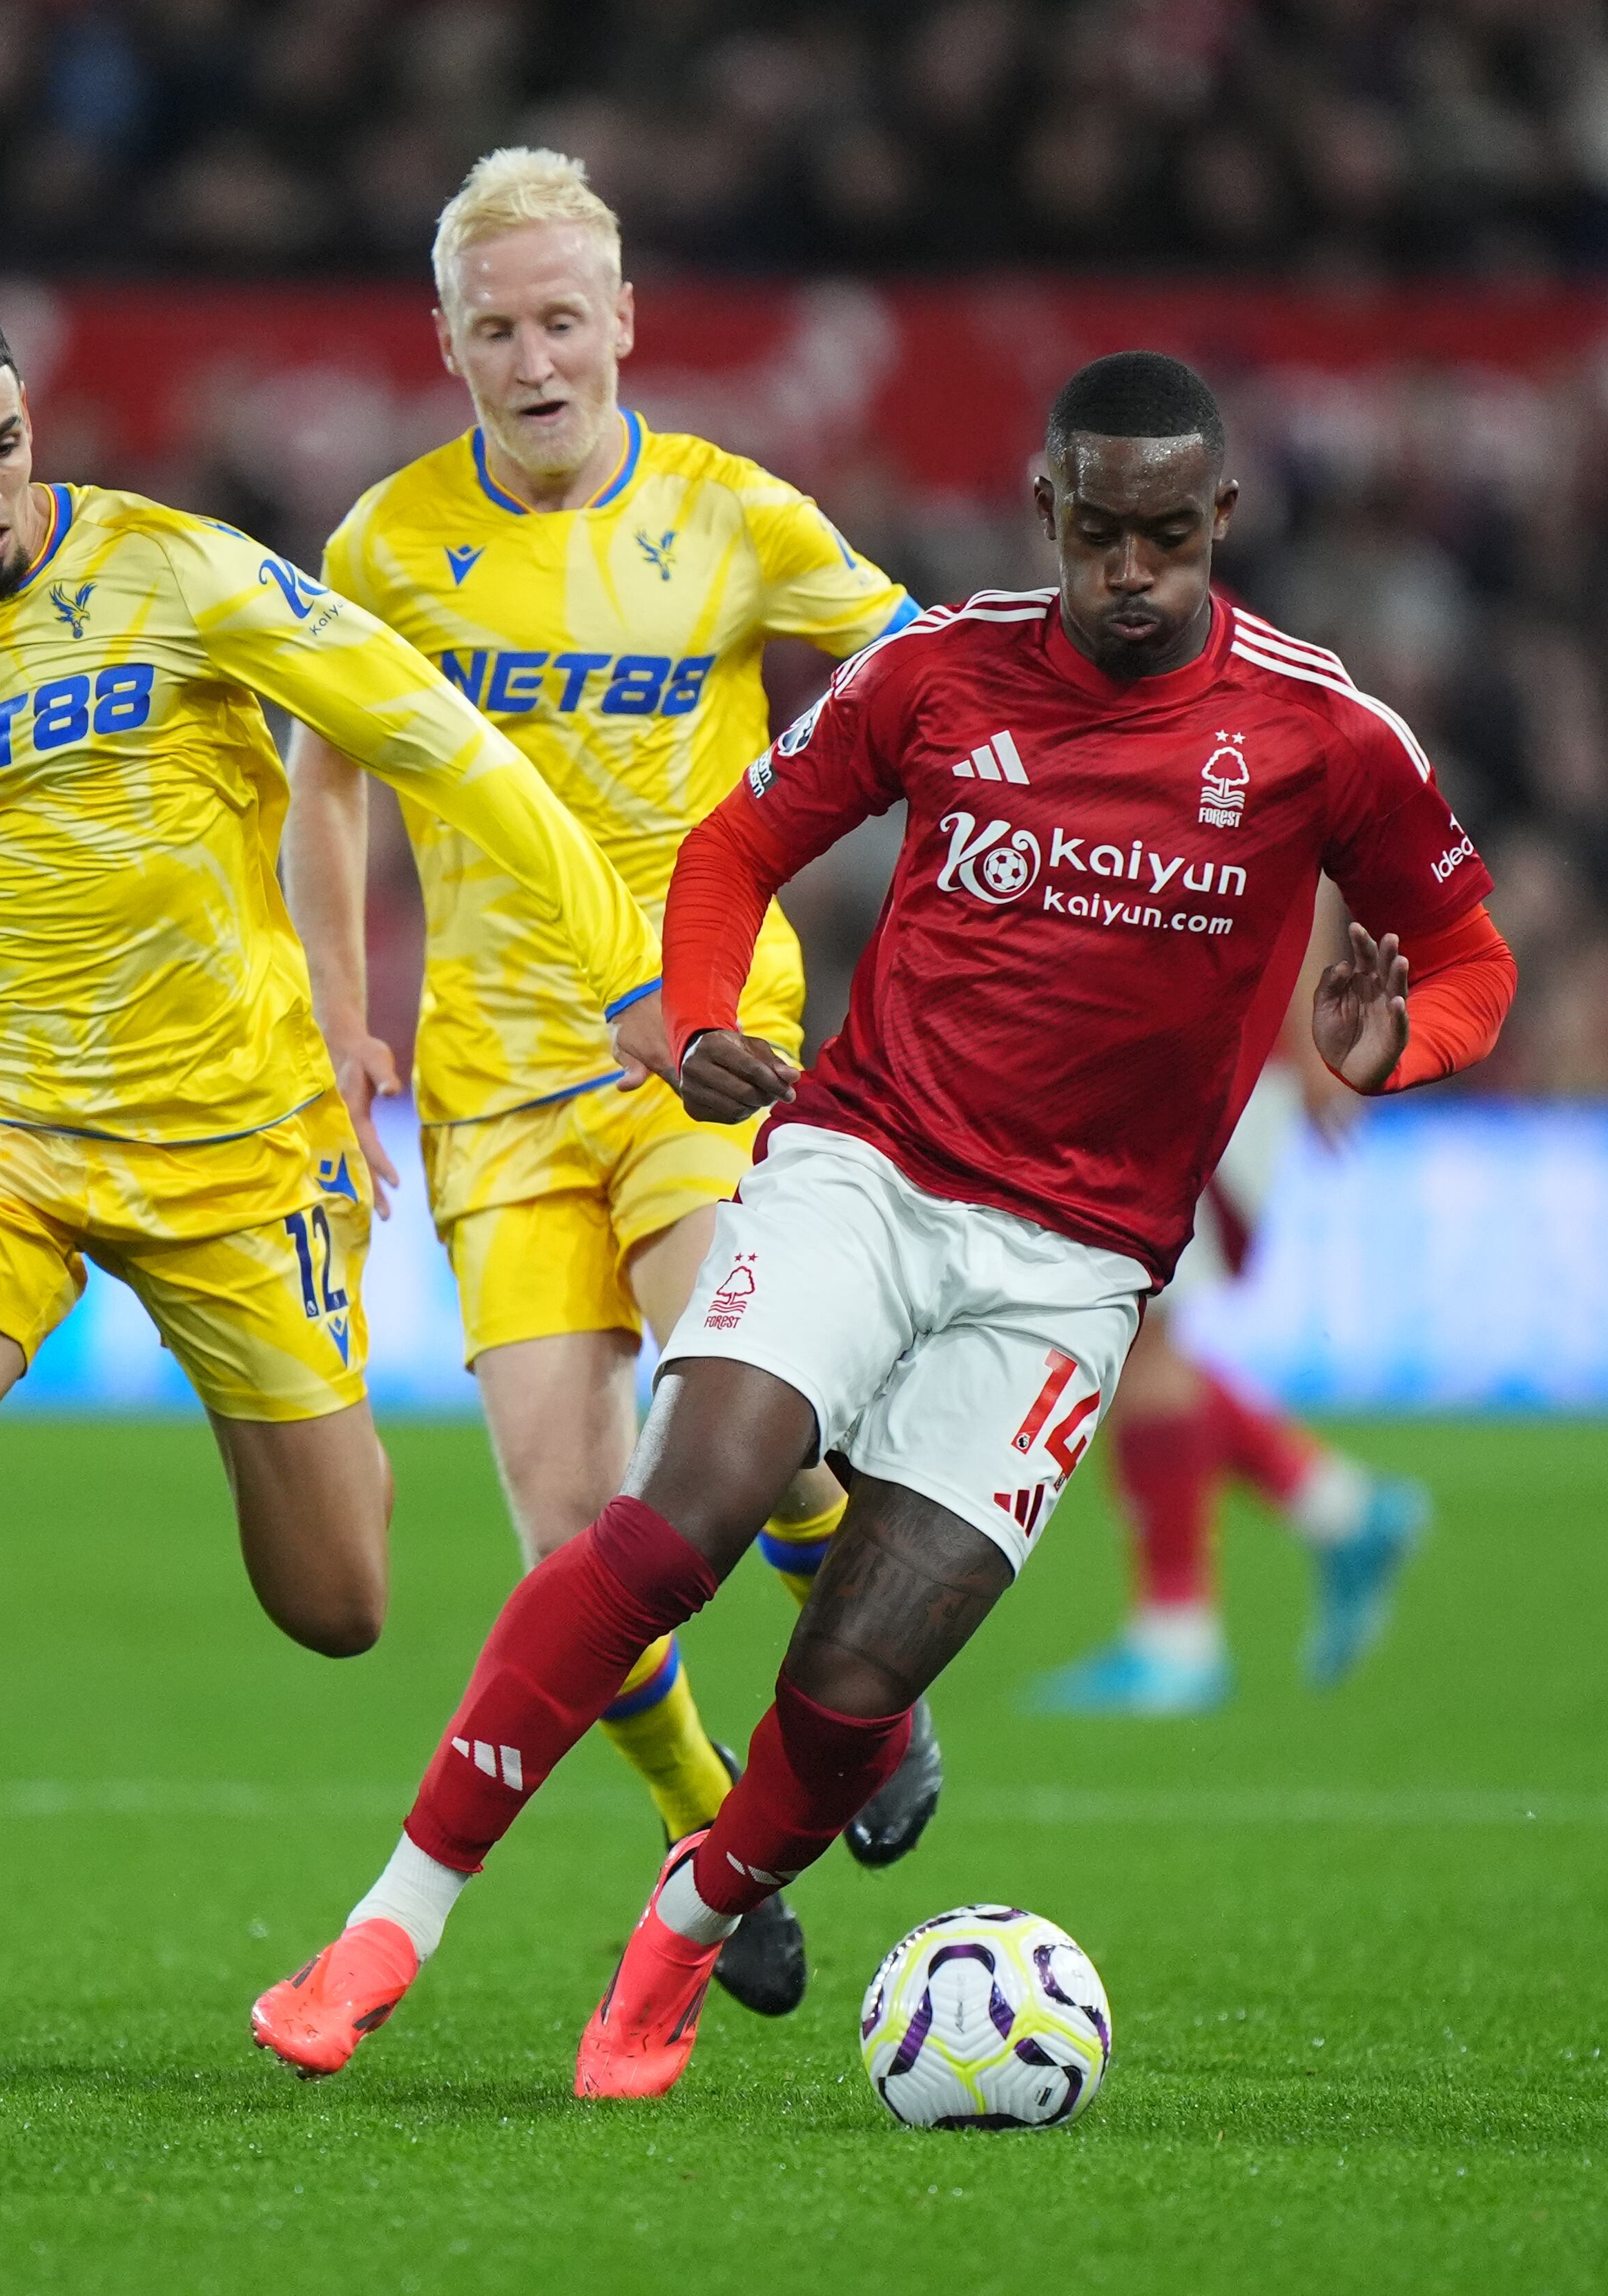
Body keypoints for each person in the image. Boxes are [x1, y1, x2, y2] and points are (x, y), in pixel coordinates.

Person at [251, 351, 1517, 2099]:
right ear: (1045, 510)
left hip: (1074, 1269)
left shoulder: (1322, 733)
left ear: (1221, 521)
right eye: (1100, 532)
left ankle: (679, 1934)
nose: (1130, 572)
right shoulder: (935, 672)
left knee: (853, 1680)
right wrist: (698, 1014)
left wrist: (1398, 1045)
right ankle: (390, 1917)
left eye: (1167, 535)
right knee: (675, 1513)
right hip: (866, 1164)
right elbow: (732, 849)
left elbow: (1463, 958)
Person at [0, 287, 673, 2087]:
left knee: (337, 1602)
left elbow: (439, 745)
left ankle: (655, 1765)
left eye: (6, 444)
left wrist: (624, 969)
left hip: (237, 1152)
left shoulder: (186, 576)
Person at [284, 148, 931, 2019]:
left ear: (626, 321)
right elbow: (327, 784)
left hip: (703, 1051)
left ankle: (853, 1668)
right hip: (493, 1091)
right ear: (448, 342)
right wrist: (342, 1017)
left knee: (751, 1419)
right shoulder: (387, 547)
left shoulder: (734, 519)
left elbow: (912, 679)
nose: (534, 355)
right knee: (574, 1543)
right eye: (495, 327)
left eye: (564, 317)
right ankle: (710, 1824)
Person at [1034, 884, 1434, 1716]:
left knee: (1135, 1332)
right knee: (1135, 1331)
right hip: (1173, 1055)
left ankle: (1177, 1634)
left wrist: (1310, 1043)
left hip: (1224, 1065)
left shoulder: (1252, 752)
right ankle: (1340, 1511)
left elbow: (1309, 869)